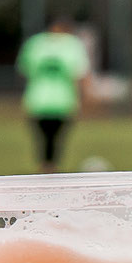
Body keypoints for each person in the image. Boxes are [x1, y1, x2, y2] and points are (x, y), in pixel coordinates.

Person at [17, 17, 92, 173]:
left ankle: (47, 165)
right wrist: (86, 96)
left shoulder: (35, 43)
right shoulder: (71, 45)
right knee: (53, 137)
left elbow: (24, 71)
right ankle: (49, 166)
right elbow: (80, 73)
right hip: (59, 100)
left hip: (40, 100)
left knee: (47, 137)